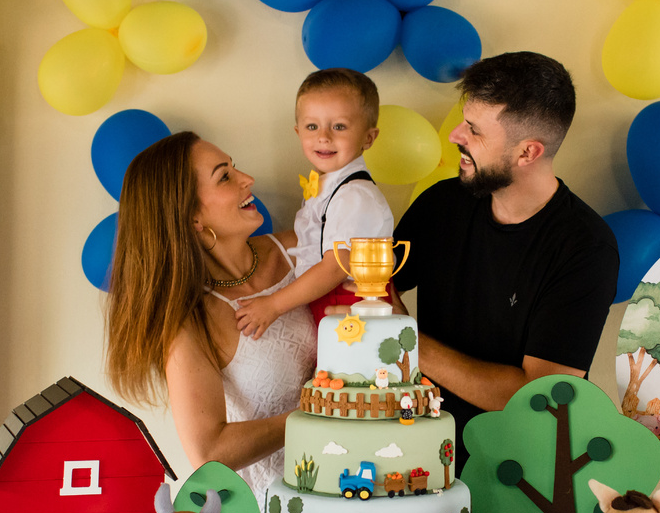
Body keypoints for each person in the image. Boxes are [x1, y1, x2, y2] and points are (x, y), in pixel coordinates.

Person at [392, 51, 619, 465]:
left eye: (474, 130)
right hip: (414, 452)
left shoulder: (585, 247)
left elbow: (536, 395)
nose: (455, 135)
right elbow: (373, 285)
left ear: (528, 152)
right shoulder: (441, 204)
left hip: (514, 473)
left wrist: (405, 342)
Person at [106, 132, 317, 495]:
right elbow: (208, 452)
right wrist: (315, 417)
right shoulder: (190, 322)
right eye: (225, 176)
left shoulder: (300, 251)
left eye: (235, 168)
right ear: (192, 219)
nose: (247, 179)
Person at [236, 68, 395, 337]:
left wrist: (274, 305)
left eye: (339, 126)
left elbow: (335, 268)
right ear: (298, 132)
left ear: (368, 138)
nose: (324, 136)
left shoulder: (354, 195)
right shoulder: (330, 187)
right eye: (312, 126)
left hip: (351, 307)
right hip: (328, 302)